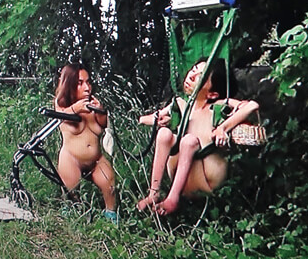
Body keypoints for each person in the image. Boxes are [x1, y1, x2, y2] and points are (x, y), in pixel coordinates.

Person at [136, 58, 260, 215]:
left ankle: (172, 199)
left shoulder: (218, 105)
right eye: (193, 69)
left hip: (206, 178)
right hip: (179, 172)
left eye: (200, 76)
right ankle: (154, 193)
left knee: (189, 141)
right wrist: (156, 121)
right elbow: (149, 118)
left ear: (212, 94)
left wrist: (223, 128)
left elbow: (252, 106)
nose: (192, 76)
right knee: (165, 134)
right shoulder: (180, 103)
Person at [53, 62, 118, 223]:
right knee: (71, 195)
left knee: (110, 187)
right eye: (80, 83)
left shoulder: (92, 104)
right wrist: (76, 109)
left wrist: (101, 110)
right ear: (70, 85)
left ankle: (111, 218)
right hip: (71, 158)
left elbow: (102, 125)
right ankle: (72, 213)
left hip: (95, 160)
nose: (87, 87)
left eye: (88, 82)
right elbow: (59, 115)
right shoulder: (63, 103)